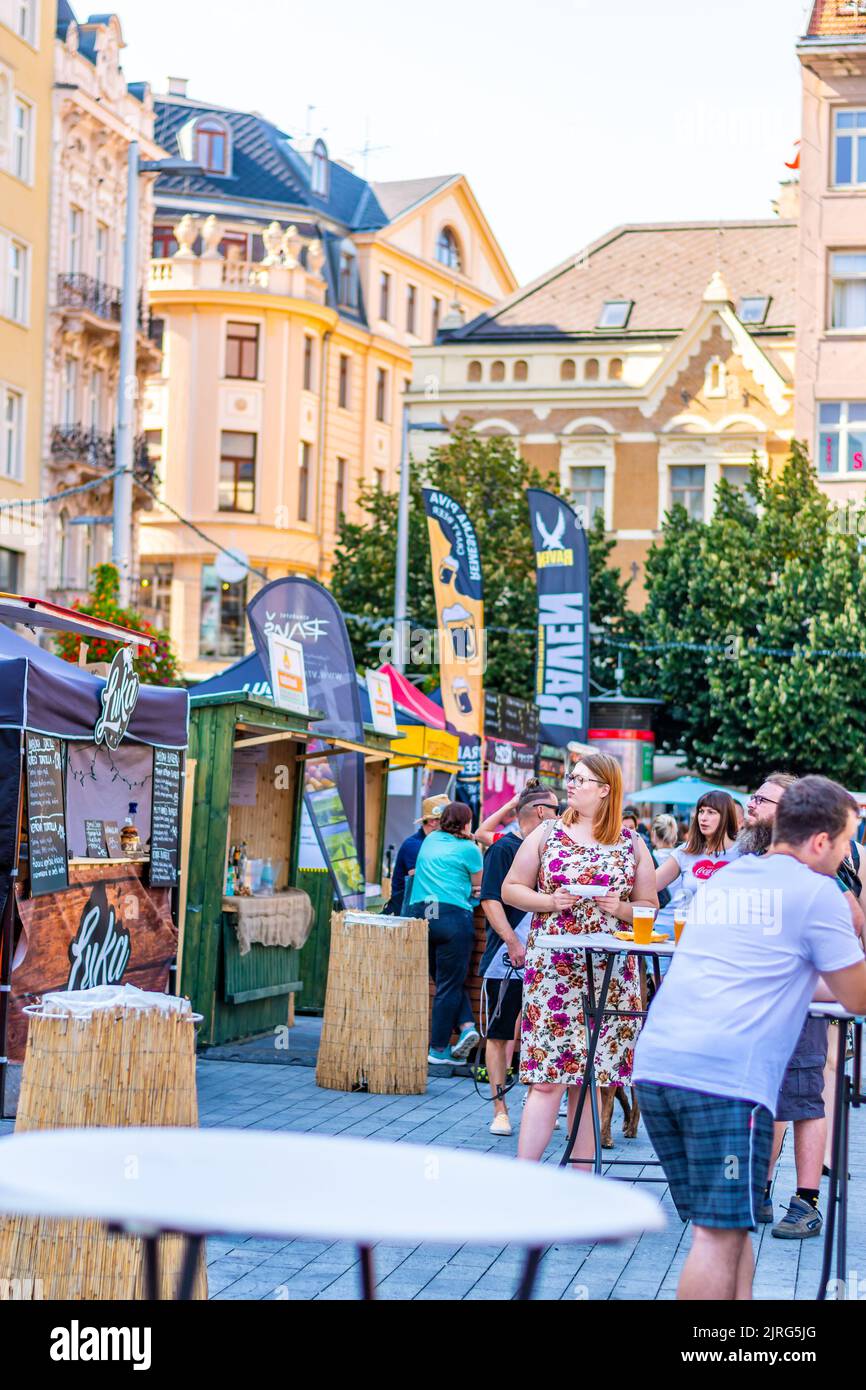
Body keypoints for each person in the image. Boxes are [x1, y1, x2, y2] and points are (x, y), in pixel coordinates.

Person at [633, 775, 866, 1301]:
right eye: (849, 839)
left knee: (728, 1227)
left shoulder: (731, 878)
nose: (850, 853)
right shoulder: (815, 892)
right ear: (822, 840)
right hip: (724, 1083)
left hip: (658, 1066)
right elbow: (858, 997)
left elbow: (777, 973)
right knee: (717, 1238)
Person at [502, 753, 658, 1165]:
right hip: (554, 972)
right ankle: (523, 1177)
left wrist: (619, 908)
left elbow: (649, 905)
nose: (571, 785)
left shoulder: (631, 842)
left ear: (605, 789)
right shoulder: (549, 832)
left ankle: (582, 1181)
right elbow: (511, 888)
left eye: (582, 780)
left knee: (590, 1079)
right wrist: (549, 901)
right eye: (571, 778)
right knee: (548, 1078)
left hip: (610, 972)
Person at [478, 781, 560, 1137]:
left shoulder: (556, 849)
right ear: (542, 813)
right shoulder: (504, 849)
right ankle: (499, 1108)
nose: (562, 817)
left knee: (540, 1033)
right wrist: (511, 941)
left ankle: (533, 1102)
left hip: (548, 958)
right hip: (506, 958)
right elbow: (490, 900)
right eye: (557, 810)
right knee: (499, 1033)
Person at [407, 800, 483, 1066]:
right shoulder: (470, 849)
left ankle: (466, 1027)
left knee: (444, 980)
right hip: (453, 918)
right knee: (449, 983)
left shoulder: (430, 840)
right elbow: (479, 884)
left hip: (422, 915)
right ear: (466, 823)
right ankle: (438, 1049)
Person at [655, 790, 740, 908]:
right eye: (701, 811)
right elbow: (649, 885)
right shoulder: (686, 851)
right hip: (687, 924)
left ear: (726, 817)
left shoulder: (743, 853)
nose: (703, 818)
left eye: (711, 812)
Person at [383, 794, 449, 914]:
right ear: (433, 821)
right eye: (448, 821)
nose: (452, 826)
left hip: (424, 908)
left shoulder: (432, 843)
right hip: (407, 914)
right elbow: (422, 878)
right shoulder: (414, 845)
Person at [650, 813, 679, 935]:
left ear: (654, 835)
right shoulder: (683, 858)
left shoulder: (648, 859)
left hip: (655, 924)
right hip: (680, 925)